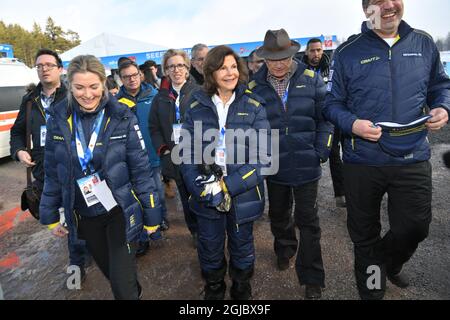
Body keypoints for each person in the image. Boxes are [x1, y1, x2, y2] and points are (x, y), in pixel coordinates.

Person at [323, 0, 450, 300]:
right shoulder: (347, 52)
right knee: (364, 237)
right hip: (362, 161)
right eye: (378, 1)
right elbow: (331, 104)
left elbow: (440, 85)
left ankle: (388, 262)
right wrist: (352, 124)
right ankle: (372, 290)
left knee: (415, 227)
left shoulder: (424, 43)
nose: (388, 5)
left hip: (412, 156)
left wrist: (443, 105)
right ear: (367, 9)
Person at [39, 55, 162, 300]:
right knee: (113, 274)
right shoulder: (58, 118)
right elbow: (53, 170)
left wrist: (152, 213)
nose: (87, 94)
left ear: (104, 84)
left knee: (122, 288)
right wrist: (50, 213)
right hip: (85, 214)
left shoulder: (122, 116)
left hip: (120, 212)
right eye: (79, 87)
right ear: (69, 87)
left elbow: (140, 169)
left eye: (94, 86)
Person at [180, 45, 271, 300]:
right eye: (222, 68)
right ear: (211, 72)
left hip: (242, 192)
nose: (229, 73)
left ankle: (241, 287)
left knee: (242, 244)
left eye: (233, 66)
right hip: (206, 193)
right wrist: (198, 185)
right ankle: (215, 287)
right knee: (209, 246)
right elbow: (185, 152)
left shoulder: (254, 105)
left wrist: (227, 186)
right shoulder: (195, 105)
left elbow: (264, 158)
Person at [250, 29, 333, 299]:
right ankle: (284, 248)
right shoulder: (253, 87)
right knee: (279, 215)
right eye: (272, 59)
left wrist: (322, 149)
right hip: (274, 168)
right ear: (264, 59)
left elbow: (327, 119)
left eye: (284, 57)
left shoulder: (312, 80)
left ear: (293, 54)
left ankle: (312, 278)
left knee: (308, 221)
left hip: (307, 163)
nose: (278, 64)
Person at [10, 49, 90, 283]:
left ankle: (85, 253)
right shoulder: (30, 100)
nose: (44, 69)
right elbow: (16, 132)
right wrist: (19, 151)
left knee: (80, 213)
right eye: (39, 66)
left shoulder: (72, 94)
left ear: (60, 68)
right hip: (44, 168)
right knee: (66, 217)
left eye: (49, 65)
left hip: (74, 165)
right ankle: (77, 265)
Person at [116, 59, 169, 257]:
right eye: (126, 77)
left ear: (141, 75)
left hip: (153, 156)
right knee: (137, 198)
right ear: (120, 79)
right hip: (130, 160)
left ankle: (159, 220)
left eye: (134, 75)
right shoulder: (116, 102)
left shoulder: (154, 95)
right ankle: (142, 235)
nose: (131, 80)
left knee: (158, 193)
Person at [150, 49, 199, 247]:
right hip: (175, 157)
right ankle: (195, 231)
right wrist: (164, 151)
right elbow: (153, 127)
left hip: (198, 156)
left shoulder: (200, 92)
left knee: (201, 194)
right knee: (186, 198)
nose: (176, 70)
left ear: (187, 69)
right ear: (166, 70)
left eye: (180, 65)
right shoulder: (160, 98)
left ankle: (208, 230)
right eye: (171, 66)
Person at [302, 38, 346, 208]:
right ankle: (308, 201)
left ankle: (341, 194)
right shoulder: (300, 71)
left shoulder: (331, 68)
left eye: (319, 50)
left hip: (330, 119)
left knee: (335, 155)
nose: (316, 54)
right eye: (312, 50)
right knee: (309, 160)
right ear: (306, 52)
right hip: (309, 121)